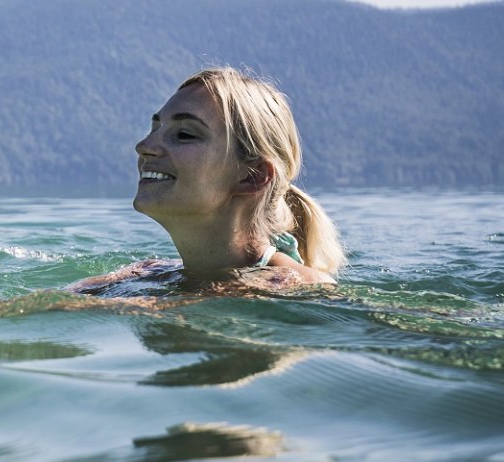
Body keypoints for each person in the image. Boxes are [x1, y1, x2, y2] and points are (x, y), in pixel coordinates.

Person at [73, 67, 344, 294]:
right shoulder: (147, 273)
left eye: (185, 135)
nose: (144, 146)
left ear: (253, 176)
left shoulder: (299, 288)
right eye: (155, 129)